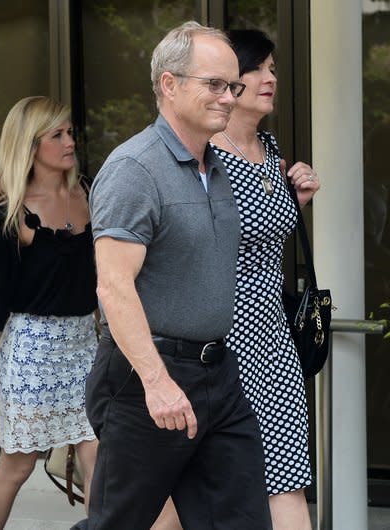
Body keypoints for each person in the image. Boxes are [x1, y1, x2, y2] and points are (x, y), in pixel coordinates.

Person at [85, 21, 272, 529]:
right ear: (170, 84)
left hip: (218, 374)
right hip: (148, 375)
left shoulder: (221, 168)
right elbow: (113, 285)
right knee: (119, 523)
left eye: (234, 86)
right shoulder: (134, 169)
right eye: (215, 84)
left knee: (241, 521)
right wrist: (156, 380)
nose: (230, 98)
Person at [0, 96, 99, 530]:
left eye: (70, 132)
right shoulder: (9, 216)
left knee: (98, 455)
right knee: (17, 465)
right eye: (57, 135)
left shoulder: (91, 192)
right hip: (33, 351)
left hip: (85, 343)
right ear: (30, 145)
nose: (69, 142)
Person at [209, 28, 320, 529]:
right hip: (216, 341)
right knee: (193, 485)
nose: (270, 78)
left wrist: (297, 201)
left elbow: (267, 239)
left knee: (286, 477)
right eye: (259, 68)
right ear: (231, 81)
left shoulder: (271, 148)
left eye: (273, 69)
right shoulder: (206, 155)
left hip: (271, 339)